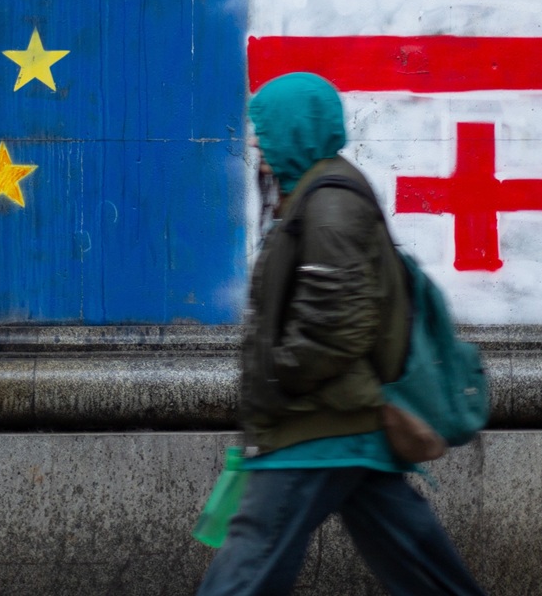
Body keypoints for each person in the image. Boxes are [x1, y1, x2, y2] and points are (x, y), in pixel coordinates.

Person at [196, 72, 487, 596]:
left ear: (297, 132)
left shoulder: (329, 203)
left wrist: (278, 377)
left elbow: (337, 324)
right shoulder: (311, 194)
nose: (258, 153)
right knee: (424, 572)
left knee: (245, 571)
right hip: (349, 428)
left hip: (318, 427)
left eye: (267, 138)